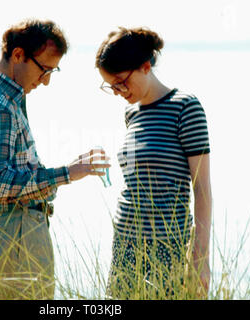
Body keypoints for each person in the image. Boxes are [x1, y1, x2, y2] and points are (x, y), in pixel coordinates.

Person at [0, 19, 110, 300]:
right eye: (44, 70)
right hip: (14, 235)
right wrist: (67, 173)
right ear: (18, 55)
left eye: (53, 72)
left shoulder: (6, 100)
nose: (47, 81)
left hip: (12, 233)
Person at [95, 27, 212, 299]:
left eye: (121, 82)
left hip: (168, 243)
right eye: (111, 86)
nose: (117, 92)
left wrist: (201, 258)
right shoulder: (130, 112)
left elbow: (203, 190)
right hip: (125, 239)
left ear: (145, 66)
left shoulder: (185, 107)